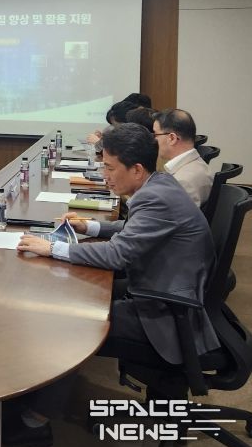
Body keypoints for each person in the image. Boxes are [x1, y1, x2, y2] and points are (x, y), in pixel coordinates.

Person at [18, 123, 219, 366]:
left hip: (164, 315)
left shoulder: (154, 198)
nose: (105, 175)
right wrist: (89, 226)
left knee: (67, 318)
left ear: (136, 170)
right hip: (159, 290)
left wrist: (51, 248)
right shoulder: (160, 182)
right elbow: (133, 227)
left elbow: (115, 255)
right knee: (79, 292)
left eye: (110, 168)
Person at [153, 108, 213, 206]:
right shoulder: (199, 165)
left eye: (156, 135)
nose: (154, 140)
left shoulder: (181, 182)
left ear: (172, 138)